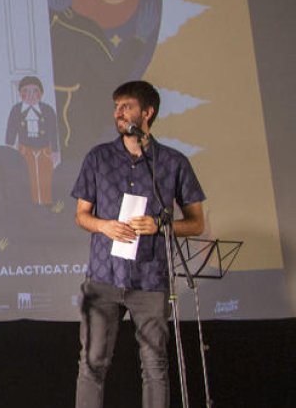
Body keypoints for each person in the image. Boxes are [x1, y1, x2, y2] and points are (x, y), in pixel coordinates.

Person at [71, 81, 206, 408]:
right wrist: (104, 225)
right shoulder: (99, 157)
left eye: (127, 106)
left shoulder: (173, 162)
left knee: (155, 364)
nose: (118, 113)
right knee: (92, 363)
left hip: (150, 278)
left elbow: (196, 222)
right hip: (104, 277)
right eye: (116, 106)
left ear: (148, 112)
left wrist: (160, 225)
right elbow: (81, 215)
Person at [5, 75, 61, 204]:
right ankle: (29, 205)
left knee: (46, 177)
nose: (31, 95)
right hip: (25, 150)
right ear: (20, 93)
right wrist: (9, 149)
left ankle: (47, 203)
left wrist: (55, 151)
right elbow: (11, 130)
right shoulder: (16, 110)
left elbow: (53, 131)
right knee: (26, 177)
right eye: (26, 91)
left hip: (44, 150)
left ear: (41, 93)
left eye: (35, 91)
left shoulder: (47, 110)